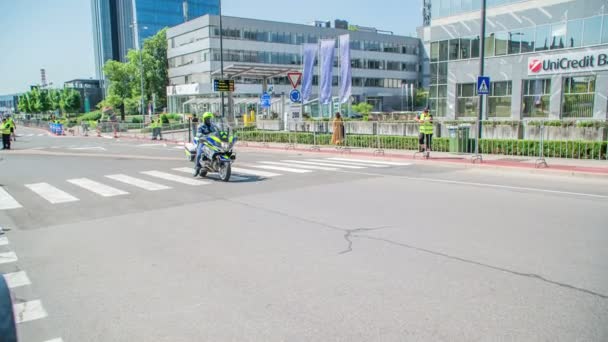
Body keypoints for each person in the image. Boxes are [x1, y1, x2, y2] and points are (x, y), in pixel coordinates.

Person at [193, 112, 218, 177]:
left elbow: (218, 131)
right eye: (208, 119)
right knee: (199, 154)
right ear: (204, 119)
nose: (209, 120)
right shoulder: (201, 126)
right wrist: (202, 135)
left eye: (210, 118)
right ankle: (197, 168)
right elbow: (198, 134)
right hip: (203, 142)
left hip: (212, 142)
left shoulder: (213, 125)